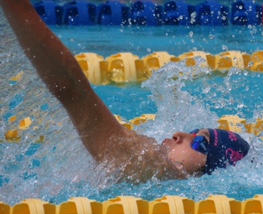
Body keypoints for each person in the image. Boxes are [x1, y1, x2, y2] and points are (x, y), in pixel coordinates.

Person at [1, 0, 249, 183]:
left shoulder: (148, 165)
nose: (178, 134)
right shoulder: (150, 169)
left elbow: (70, 89)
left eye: (199, 142)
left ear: (210, 168)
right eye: (193, 132)